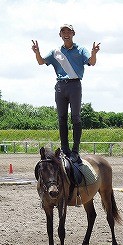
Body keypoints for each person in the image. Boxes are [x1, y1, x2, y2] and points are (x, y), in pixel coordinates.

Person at [32, 24, 100, 163]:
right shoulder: (55, 52)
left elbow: (91, 62)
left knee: (75, 117)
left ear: (73, 33)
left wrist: (94, 53)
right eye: (63, 32)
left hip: (75, 85)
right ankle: (64, 148)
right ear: (60, 35)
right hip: (60, 86)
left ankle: (75, 150)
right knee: (62, 118)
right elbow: (41, 62)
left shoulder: (80, 50)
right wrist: (37, 52)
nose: (66, 34)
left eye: (68, 31)